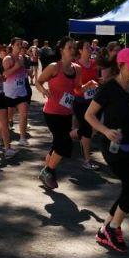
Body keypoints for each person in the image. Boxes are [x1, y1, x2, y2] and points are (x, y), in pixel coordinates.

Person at [85, 48, 129, 253]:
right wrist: (105, 130)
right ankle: (114, 228)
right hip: (114, 149)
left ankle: (104, 229)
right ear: (121, 65)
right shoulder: (108, 88)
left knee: (128, 189)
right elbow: (90, 115)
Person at [36, 36, 80, 189]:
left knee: (57, 145)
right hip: (52, 112)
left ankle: (48, 172)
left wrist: (91, 86)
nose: (73, 50)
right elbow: (38, 81)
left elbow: (77, 90)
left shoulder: (77, 68)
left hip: (66, 113)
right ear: (61, 50)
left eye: (74, 47)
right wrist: (44, 90)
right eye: (70, 47)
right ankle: (48, 170)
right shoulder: (54, 67)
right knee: (64, 144)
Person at [71, 40, 100, 170]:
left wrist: (100, 81)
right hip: (80, 101)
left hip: (93, 101)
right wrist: (89, 85)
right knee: (87, 129)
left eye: (90, 47)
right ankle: (87, 160)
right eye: (87, 47)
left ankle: (65, 138)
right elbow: (76, 89)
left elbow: (95, 80)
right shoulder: (76, 66)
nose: (90, 49)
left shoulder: (94, 64)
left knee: (90, 128)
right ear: (80, 51)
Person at [3, 37, 31, 147]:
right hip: (9, 93)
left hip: (21, 91)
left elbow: (21, 71)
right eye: (18, 44)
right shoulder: (7, 59)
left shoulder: (21, 58)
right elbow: (5, 74)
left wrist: (26, 71)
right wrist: (15, 67)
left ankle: (22, 138)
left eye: (21, 44)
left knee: (24, 115)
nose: (20, 46)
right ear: (12, 45)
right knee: (8, 116)